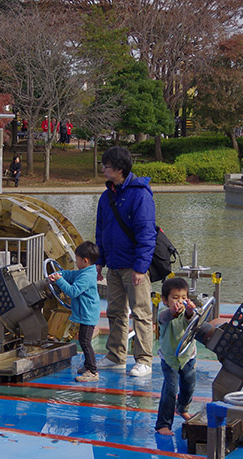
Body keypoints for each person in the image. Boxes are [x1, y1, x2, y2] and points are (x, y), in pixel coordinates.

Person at [94, 145, 156, 378]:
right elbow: (101, 230)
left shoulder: (140, 195)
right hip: (114, 265)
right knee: (115, 311)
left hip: (133, 266)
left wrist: (141, 267)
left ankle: (144, 360)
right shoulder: (106, 196)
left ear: (119, 169)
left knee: (140, 312)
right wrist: (100, 261)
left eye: (107, 167)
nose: (103, 170)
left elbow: (146, 233)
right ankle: (115, 356)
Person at [48, 241, 102, 383]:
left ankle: (93, 371)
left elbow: (73, 291)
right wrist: (58, 274)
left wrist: (59, 281)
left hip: (88, 314)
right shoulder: (84, 271)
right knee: (84, 340)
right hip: (85, 313)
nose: (75, 261)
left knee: (85, 342)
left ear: (85, 260)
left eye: (77, 259)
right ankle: (87, 366)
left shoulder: (87, 276)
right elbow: (70, 275)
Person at [155, 277, 197, 436]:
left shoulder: (188, 313)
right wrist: (173, 311)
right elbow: (164, 318)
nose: (180, 301)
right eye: (175, 298)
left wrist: (190, 311)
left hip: (188, 355)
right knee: (170, 390)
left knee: (189, 386)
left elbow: (192, 321)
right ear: (165, 300)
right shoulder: (163, 313)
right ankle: (163, 424)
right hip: (170, 358)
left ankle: (183, 408)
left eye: (184, 298)